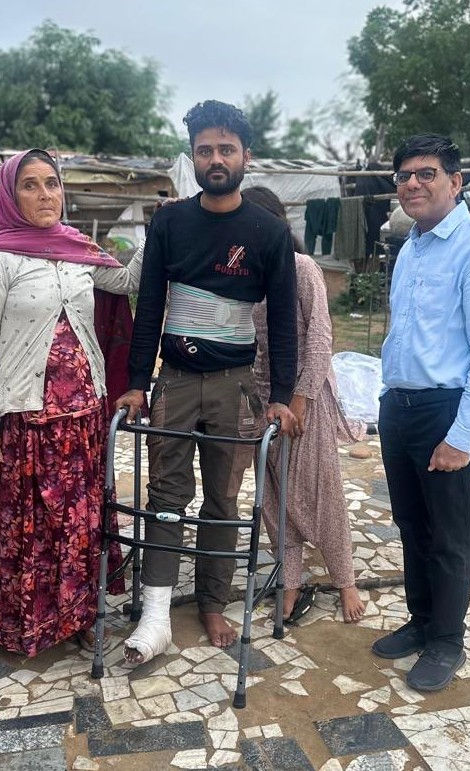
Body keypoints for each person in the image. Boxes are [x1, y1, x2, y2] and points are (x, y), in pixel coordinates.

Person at [116, 100, 298, 665]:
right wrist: (135, 382)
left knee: (223, 497)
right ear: (192, 156)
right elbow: (149, 309)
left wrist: (282, 397)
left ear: (247, 155)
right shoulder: (169, 222)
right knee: (166, 496)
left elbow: (284, 321)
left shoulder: (268, 232)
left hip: (234, 385)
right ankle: (155, 613)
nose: (215, 159)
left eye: (226, 149)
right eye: (204, 149)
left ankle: (214, 604)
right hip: (173, 380)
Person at [0, 149, 142, 657]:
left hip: (85, 416)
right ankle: (27, 625)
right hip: (26, 419)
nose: (45, 195)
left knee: (81, 523)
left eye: (52, 184)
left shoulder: (76, 248)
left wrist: (159, 228)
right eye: (31, 185)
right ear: (11, 195)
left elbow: (125, 282)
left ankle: (80, 615)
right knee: (29, 527)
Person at [374, 134, 470, 692]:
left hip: (447, 408)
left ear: (456, 183)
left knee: (451, 534)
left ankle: (447, 640)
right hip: (401, 406)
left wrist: (462, 435)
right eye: (404, 175)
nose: (412, 183)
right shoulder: (411, 246)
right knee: (412, 526)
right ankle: (421, 620)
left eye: (426, 173)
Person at [242, 186, 365, 623]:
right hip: (258, 402)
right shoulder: (244, 274)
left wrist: (302, 398)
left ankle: (345, 581)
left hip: (303, 399)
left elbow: (319, 337)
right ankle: (289, 582)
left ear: (277, 223)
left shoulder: (301, 267)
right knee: (275, 499)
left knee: (319, 494)